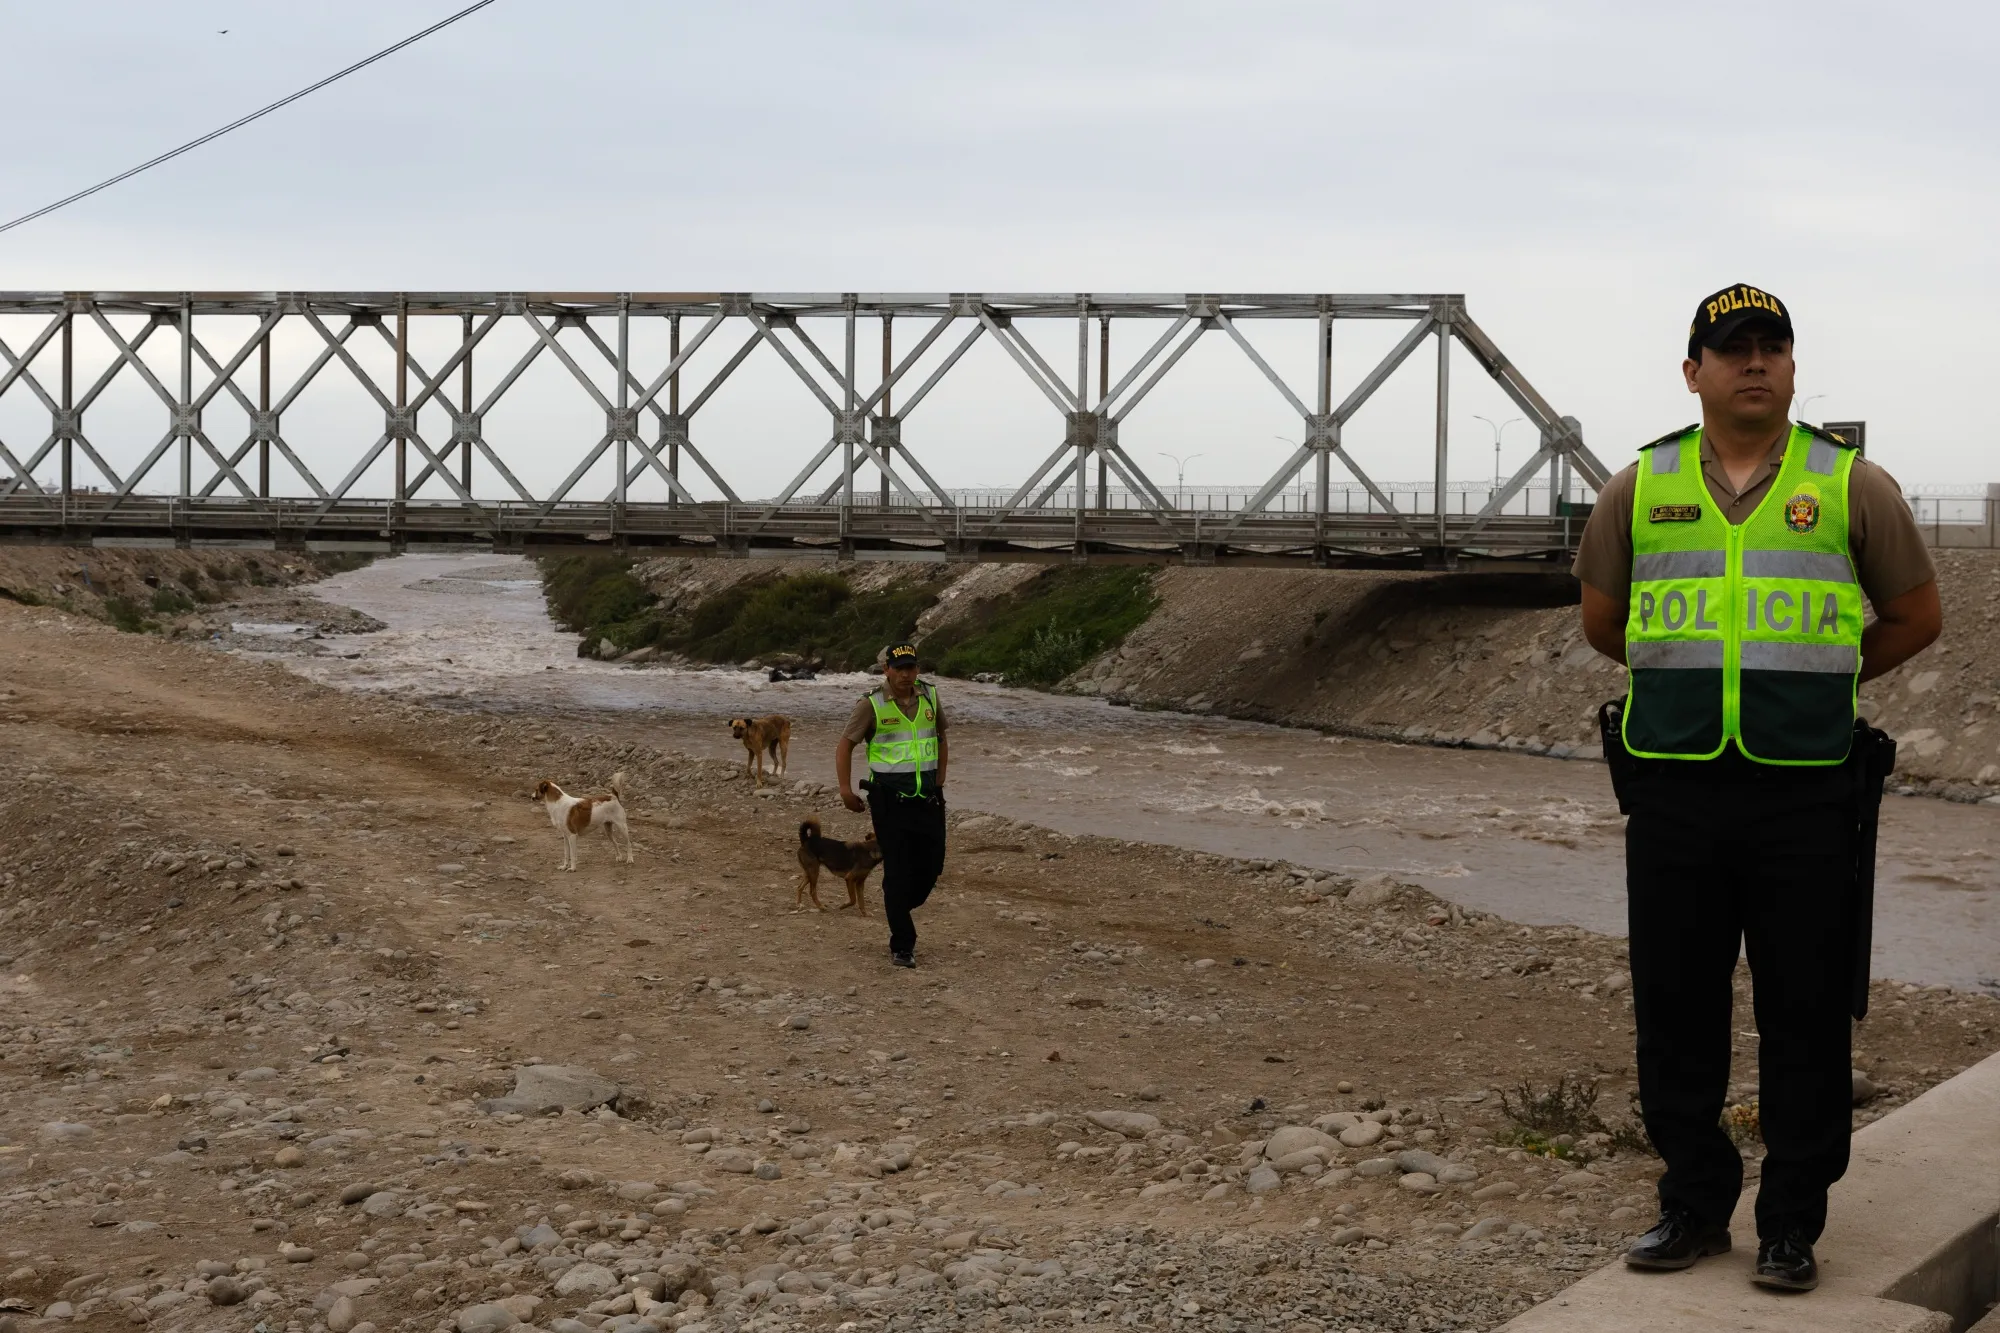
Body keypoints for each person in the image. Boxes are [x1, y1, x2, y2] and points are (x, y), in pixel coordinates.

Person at [1573, 283, 1941, 1293]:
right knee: (1675, 1008)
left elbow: (1913, 615)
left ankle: (1789, 1223)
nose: (1751, 362)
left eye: (1769, 347)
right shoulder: (1636, 488)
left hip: (1805, 790)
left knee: (1805, 1012)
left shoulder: (1852, 485)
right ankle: (1691, 1205)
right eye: (1728, 347)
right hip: (1675, 786)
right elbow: (1604, 623)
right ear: (1690, 369)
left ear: (1790, 367)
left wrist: (1822, 678)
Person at [835, 642, 949, 968]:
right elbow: (845, 746)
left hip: (928, 800)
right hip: (889, 803)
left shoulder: (930, 696)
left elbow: (941, 738)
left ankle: (896, 902)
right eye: (899, 668)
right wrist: (845, 789)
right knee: (898, 872)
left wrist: (940, 778)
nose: (906, 674)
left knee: (931, 869)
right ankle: (903, 945)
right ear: (886, 669)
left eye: (911, 668)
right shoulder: (871, 704)